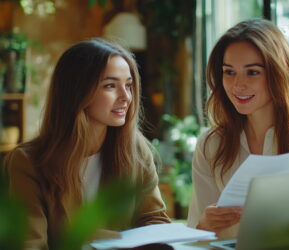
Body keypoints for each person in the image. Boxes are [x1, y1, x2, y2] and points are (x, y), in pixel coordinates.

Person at [187, 18, 289, 238]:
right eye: (229, 72)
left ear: (279, 73)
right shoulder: (211, 145)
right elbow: (195, 236)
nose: (238, 84)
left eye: (252, 72)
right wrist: (205, 224)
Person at [6, 38, 170, 249]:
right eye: (110, 85)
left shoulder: (136, 151)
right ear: (77, 92)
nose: (126, 97)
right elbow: (29, 244)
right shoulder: (28, 162)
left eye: (128, 85)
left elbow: (154, 221)